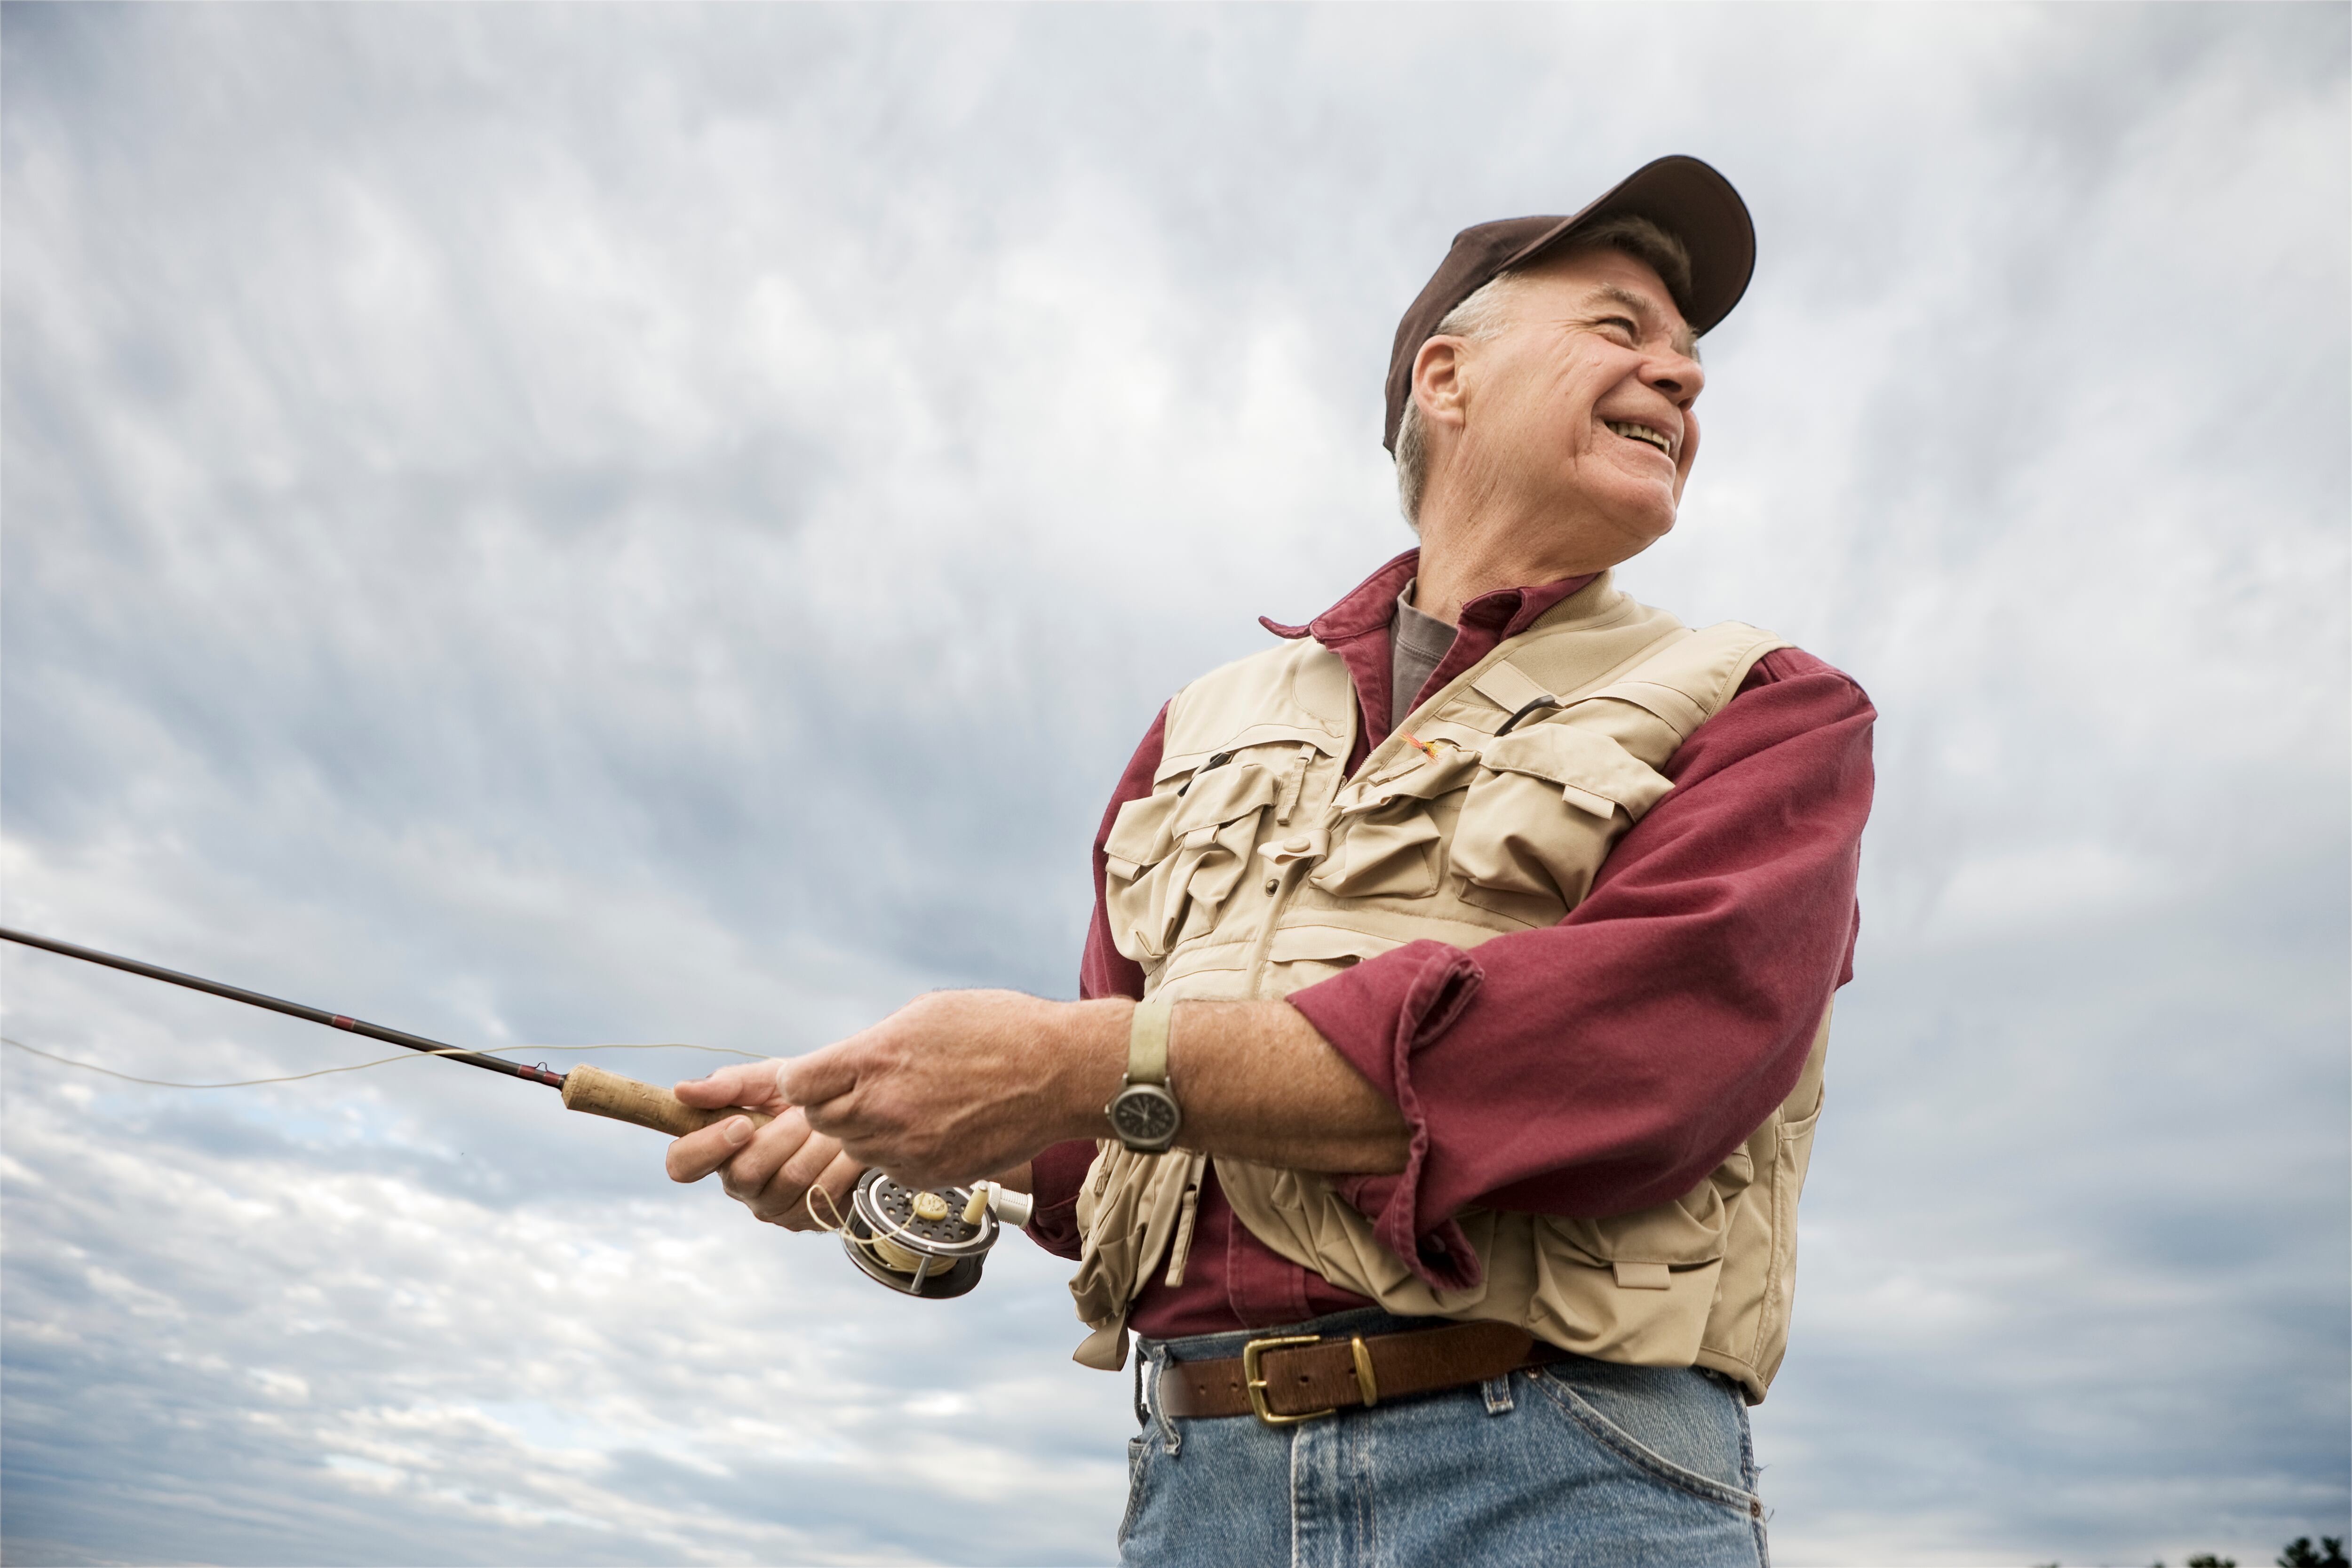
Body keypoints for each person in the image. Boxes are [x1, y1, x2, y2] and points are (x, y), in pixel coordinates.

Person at [664, 153, 1875, 1567]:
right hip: (1198, 1491)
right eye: (1622, 329)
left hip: (1570, 1482)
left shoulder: (1770, 708)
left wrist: (1067, 1065)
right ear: (1447, 377)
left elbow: (1624, 1063)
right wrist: (873, 1135)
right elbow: (1111, 1149)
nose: (1684, 378)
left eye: (1690, 358)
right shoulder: (1196, 729)